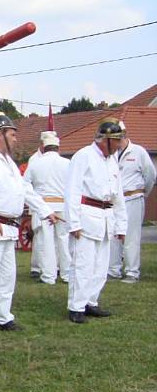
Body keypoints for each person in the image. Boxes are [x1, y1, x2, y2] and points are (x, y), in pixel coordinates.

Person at [0, 113, 58, 338]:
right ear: (0, 134)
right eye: (12, 134)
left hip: (9, 228)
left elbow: (24, 190)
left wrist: (46, 211)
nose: (16, 139)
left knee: (7, 276)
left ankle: (2, 316)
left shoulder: (8, 162)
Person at [65, 118, 127, 323]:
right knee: (83, 264)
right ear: (106, 139)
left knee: (101, 266)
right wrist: (73, 223)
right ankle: (76, 306)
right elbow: (72, 191)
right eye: (116, 140)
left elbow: (118, 196)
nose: (119, 145)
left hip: (106, 217)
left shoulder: (112, 161)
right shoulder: (83, 156)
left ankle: (91, 301)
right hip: (86, 216)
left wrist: (121, 225)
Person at [107, 121, 156, 283]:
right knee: (114, 235)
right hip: (115, 200)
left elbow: (150, 176)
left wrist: (142, 193)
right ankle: (113, 270)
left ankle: (131, 272)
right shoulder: (111, 153)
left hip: (133, 197)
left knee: (131, 236)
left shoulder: (138, 152)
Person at [23, 131, 71, 284]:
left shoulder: (35, 163)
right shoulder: (67, 163)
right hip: (63, 204)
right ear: (57, 147)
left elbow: (24, 185)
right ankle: (66, 273)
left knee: (46, 241)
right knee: (63, 240)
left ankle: (48, 275)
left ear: (43, 148)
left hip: (43, 205)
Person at [27, 142, 46, 279]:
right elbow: (27, 185)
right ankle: (36, 266)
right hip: (37, 201)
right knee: (39, 236)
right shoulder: (34, 160)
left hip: (55, 203)